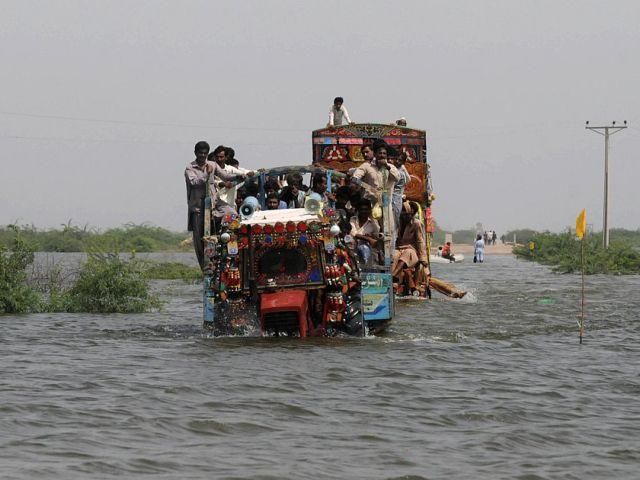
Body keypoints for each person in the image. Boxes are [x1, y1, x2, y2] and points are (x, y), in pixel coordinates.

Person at [185, 141, 246, 269]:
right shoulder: (190, 168)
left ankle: (226, 241)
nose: (202, 156)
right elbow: (195, 182)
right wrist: (207, 174)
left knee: (232, 214)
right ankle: (205, 267)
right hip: (198, 208)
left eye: (205, 153)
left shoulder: (212, 164)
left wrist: (239, 177)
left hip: (214, 202)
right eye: (200, 153)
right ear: (195, 153)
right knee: (200, 239)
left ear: (207, 154)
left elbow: (225, 175)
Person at [392, 202, 428, 293]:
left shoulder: (417, 224)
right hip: (398, 249)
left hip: (412, 251)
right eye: (403, 212)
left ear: (413, 214)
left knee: (407, 253)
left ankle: (393, 275)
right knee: (394, 255)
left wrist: (423, 259)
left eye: (407, 214)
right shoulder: (397, 222)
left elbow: (420, 241)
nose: (405, 215)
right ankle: (395, 281)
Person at [349, 199, 381, 266]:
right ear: (358, 210)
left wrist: (371, 237)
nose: (364, 212)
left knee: (364, 247)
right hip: (353, 250)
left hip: (369, 253)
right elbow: (353, 234)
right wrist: (368, 238)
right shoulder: (353, 219)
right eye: (362, 209)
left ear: (369, 210)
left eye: (366, 209)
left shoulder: (373, 222)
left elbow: (377, 235)